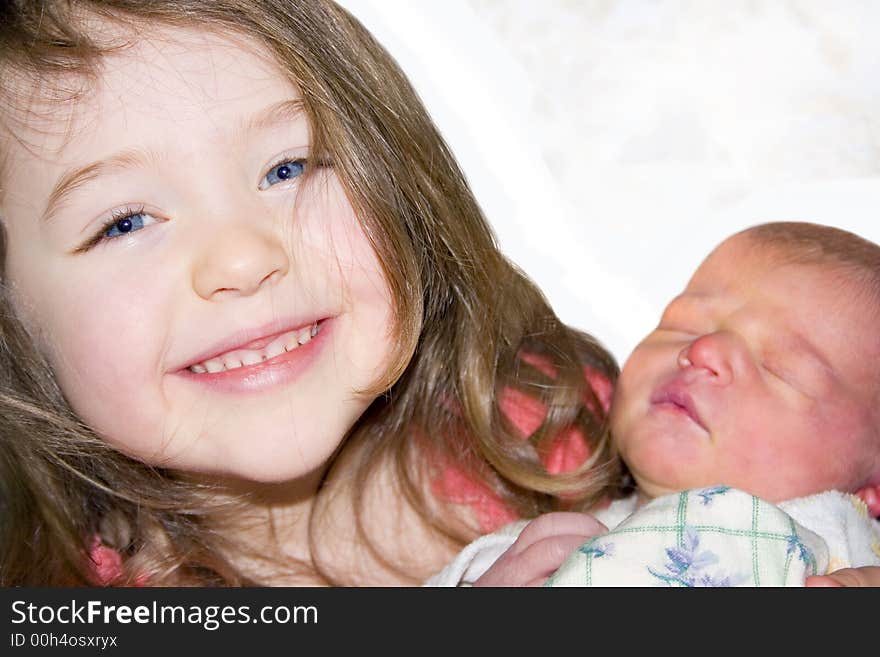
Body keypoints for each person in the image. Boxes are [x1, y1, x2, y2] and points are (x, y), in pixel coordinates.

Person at [0, 0, 622, 585]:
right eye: (125, 222)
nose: (243, 260)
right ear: (12, 315)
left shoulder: (548, 429)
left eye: (286, 169)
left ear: (399, 178)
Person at [428, 221, 880, 586]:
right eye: (682, 325)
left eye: (781, 367)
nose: (702, 350)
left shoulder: (840, 562)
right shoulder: (546, 535)